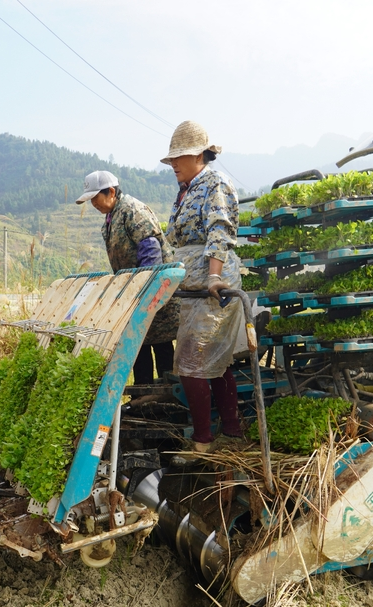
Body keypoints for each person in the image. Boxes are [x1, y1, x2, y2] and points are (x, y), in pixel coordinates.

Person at [161, 121, 244, 452]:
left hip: (213, 284)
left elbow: (219, 230)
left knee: (192, 362)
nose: (173, 163)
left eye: (179, 157)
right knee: (212, 361)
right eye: (172, 158)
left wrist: (213, 276)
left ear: (198, 155)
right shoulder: (186, 190)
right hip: (194, 285)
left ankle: (203, 441)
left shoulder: (214, 183)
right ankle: (232, 433)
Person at [76, 170, 178, 384]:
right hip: (135, 294)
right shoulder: (111, 217)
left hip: (152, 292)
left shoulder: (132, 210)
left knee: (161, 347)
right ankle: (143, 395)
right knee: (138, 346)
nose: (93, 204)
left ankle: (168, 398)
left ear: (111, 192)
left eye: (95, 197)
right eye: (90, 200)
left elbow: (151, 252)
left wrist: (144, 292)